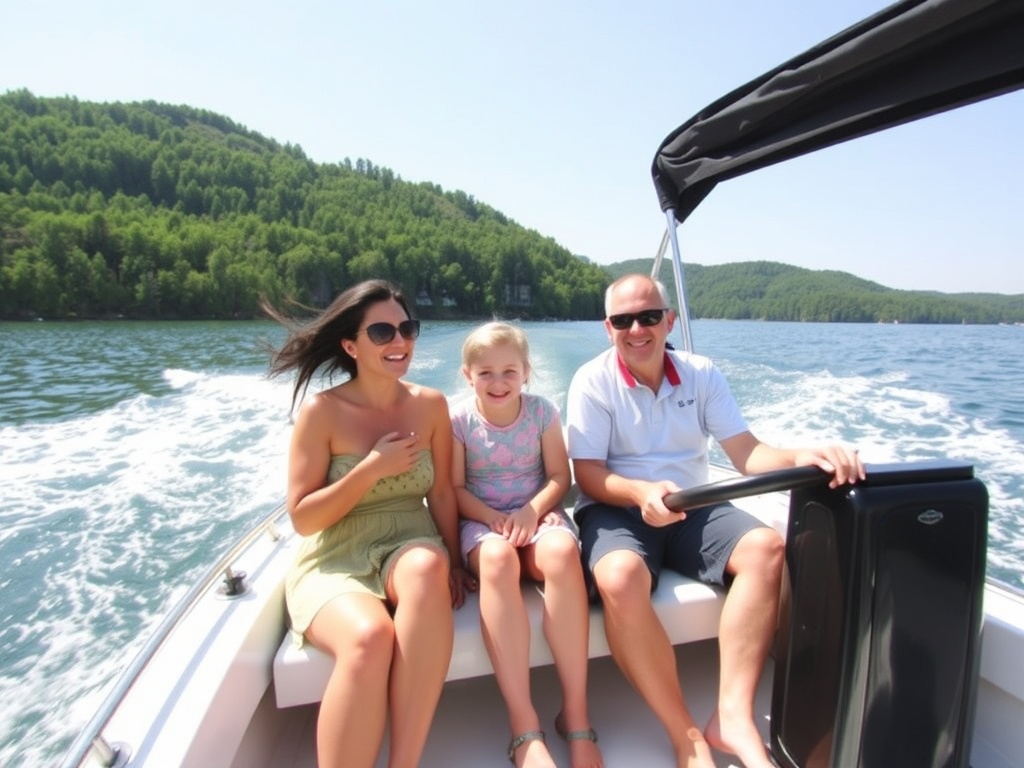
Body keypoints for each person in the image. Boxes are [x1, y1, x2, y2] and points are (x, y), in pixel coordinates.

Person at [565, 274, 864, 768]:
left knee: (766, 548)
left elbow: (748, 454)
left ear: (670, 320)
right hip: (618, 508)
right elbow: (589, 475)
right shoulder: (592, 381)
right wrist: (640, 492)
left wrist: (806, 453)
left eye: (648, 316)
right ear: (608, 327)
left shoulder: (702, 373)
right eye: (623, 320)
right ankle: (686, 735)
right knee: (618, 578)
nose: (636, 329)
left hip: (694, 505)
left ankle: (731, 715)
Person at [264, 279, 472, 768]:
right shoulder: (323, 413)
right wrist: (371, 468)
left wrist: (458, 562)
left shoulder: (431, 404)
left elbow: (441, 492)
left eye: (407, 329)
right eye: (381, 332)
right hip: (335, 552)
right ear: (351, 345)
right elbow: (303, 517)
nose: (399, 342)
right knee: (369, 638)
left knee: (427, 570)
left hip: (409, 537)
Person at [451, 322, 603, 768]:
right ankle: (524, 727)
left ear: (526, 372)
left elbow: (561, 477)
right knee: (498, 560)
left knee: (560, 552)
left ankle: (575, 715)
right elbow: (455, 488)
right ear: (467, 376)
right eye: (486, 373)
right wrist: (494, 518)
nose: (498, 383)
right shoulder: (458, 421)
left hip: (535, 514)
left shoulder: (541, 413)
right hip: (484, 521)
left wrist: (529, 513)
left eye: (509, 371)